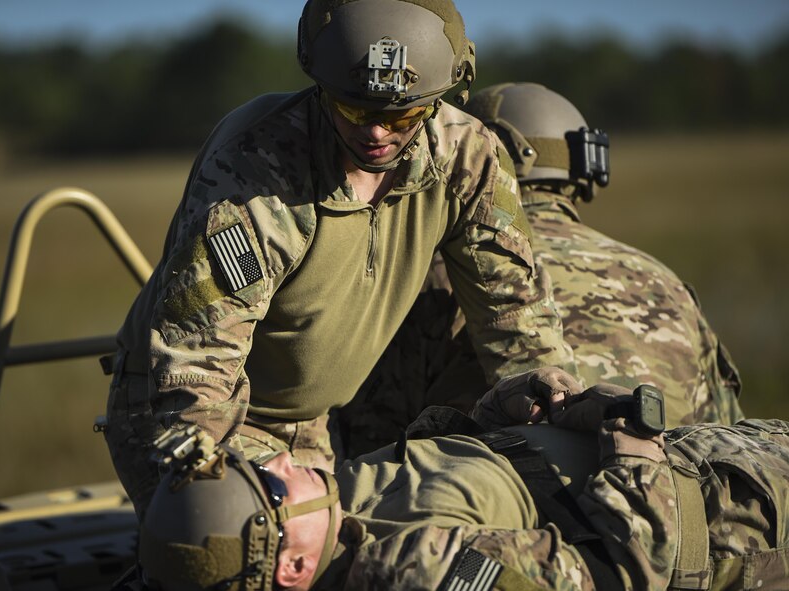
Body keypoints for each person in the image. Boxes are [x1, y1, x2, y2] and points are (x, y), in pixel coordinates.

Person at [104, 2, 574, 519]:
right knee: (245, 547)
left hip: (311, 422)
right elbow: (195, 374)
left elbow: (518, 326)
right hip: (197, 410)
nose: (375, 133)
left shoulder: (468, 158)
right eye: (353, 109)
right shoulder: (256, 170)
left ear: (440, 100)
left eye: (401, 115)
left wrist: (553, 410)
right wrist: (209, 495)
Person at [335, 82, 744, 459]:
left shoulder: (428, 277)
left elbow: (371, 455)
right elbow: (725, 443)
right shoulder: (664, 281)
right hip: (655, 518)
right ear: (582, 169)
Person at [135, 367, 789, 590]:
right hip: (737, 513)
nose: (281, 462)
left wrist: (486, 420)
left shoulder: (323, 508)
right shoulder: (416, 574)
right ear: (292, 567)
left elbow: (425, 480)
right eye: (270, 490)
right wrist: (633, 446)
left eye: (257, 465)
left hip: (704, 455)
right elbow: (619, 572)